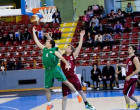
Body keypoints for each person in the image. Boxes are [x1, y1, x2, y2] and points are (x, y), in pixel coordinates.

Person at [32, 27, 82, 110]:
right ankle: (49, 104)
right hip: (47, 71)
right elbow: (36, 41)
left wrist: (66, 63)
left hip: (55, 68)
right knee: (46, 89)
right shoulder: (44, 49)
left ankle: (77, 94)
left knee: (66, 82)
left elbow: (62, 57)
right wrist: (34, 32)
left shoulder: (54, 50)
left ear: (50, 44)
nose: (46, 42)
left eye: (47, 41)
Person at [58, 30, 95, 110]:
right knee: (65, 96)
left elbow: (79, 47)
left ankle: (87, 104)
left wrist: (81, 36)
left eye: (68, 47)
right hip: (65, 79)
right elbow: (56, 47)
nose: (66, 47)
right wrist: (50, 38)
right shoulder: (62, 55)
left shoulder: (73, 55)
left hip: (73, 77)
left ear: (71, 50)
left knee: (81, 91)